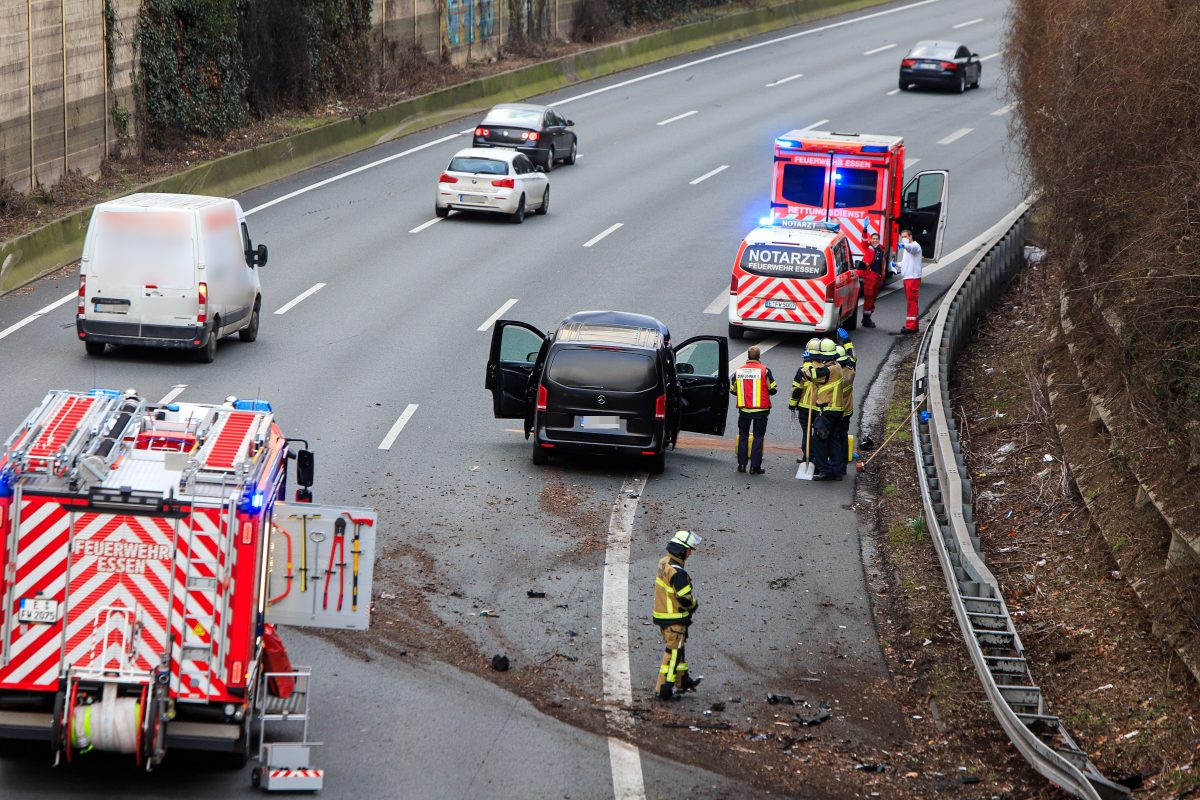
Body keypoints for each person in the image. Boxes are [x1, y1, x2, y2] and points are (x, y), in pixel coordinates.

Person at [652, 530, 702, 700]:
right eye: (688, 549)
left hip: (663, 615)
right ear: (681, 550)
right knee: (672, 653)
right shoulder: (679, 573)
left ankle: (682, 680)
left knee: (679, 648)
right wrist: (694, 604)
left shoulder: (664, 562)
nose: (690, 553)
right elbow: (686, 600)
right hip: (674, 618)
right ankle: (664, 689)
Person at [796, 339, 845, 480]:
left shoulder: (829, 370)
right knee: (833, 440)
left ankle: (825, 470)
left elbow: (811, 375)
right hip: (836, 409)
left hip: (828, 410)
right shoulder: (837, 366)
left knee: (818, 440)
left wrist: (808, 363)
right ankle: (836, 471)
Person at [729, 345, 777, 474]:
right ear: (759, 356)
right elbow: (773, 390)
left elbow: (733, 390)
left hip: (744, 410)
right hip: (761, 410)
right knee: (758, 437)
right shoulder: (764, 371)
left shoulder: (739, 371)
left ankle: (741, 465)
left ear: (748, 356)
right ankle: (755, 467)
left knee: (743, 436)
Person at [895, 229, 924, 334]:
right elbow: (906, 262)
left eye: (905, 236)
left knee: (911, 302)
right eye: (902, 237)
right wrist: (896, 265)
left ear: (911, 236)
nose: (904, 239)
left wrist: (904, 245)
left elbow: (911, 248)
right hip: (908, 277)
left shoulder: (915, 246)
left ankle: (911, 327)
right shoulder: (907, 249)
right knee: (912, 302)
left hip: (913, 278)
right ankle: (913, 325)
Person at [835, 338, 856, 476]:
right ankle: (842, 467)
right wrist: (847, 341)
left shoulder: (834, 374)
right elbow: (853, 357)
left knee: (833, 439)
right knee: (842, 437)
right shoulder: (851, 371)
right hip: (847, 410)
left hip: (836, 410)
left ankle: (834, 466)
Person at [860, 231, 886, 328]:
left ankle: (867, 318)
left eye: (877, 239)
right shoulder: (869, 248)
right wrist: (865, 230)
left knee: (873, 299)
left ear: (879, 240)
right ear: (871, 240)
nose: (875, 240)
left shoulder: (880, 249)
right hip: (870, 276)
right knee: (869, 298)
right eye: (873, 239)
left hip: (877, 277)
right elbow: (864, 242)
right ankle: (866, 319)